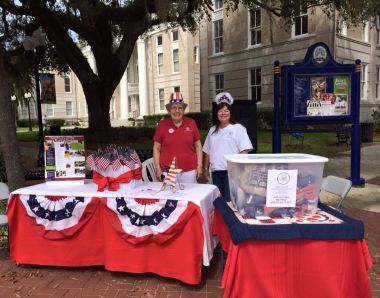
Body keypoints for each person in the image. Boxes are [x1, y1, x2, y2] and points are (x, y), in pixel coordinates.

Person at [203, 92, 253, 201]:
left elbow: (244, 151)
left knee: (230, 200)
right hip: (216, 172)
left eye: (226, 110)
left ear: (230, 112)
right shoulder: (212, 130)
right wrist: (205, 169)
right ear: (216, 113)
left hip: (230, 172)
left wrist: (239, 171)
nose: (223, 113)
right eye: (220, 110)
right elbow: (207, 151)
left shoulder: (238, 128)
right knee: (218, 200)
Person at [153, 92, 203, 183]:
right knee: (169, 196)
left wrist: (199, 166)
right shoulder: (162, 125)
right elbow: (156, 148)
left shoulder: (191, 123)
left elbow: (198, 146)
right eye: (174, 108)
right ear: (169, 110)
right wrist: (157, 167)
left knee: (189, 196)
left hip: (189, 171)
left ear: (183, 110)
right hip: (168, 171)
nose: (177, 111)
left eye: (180, 108)